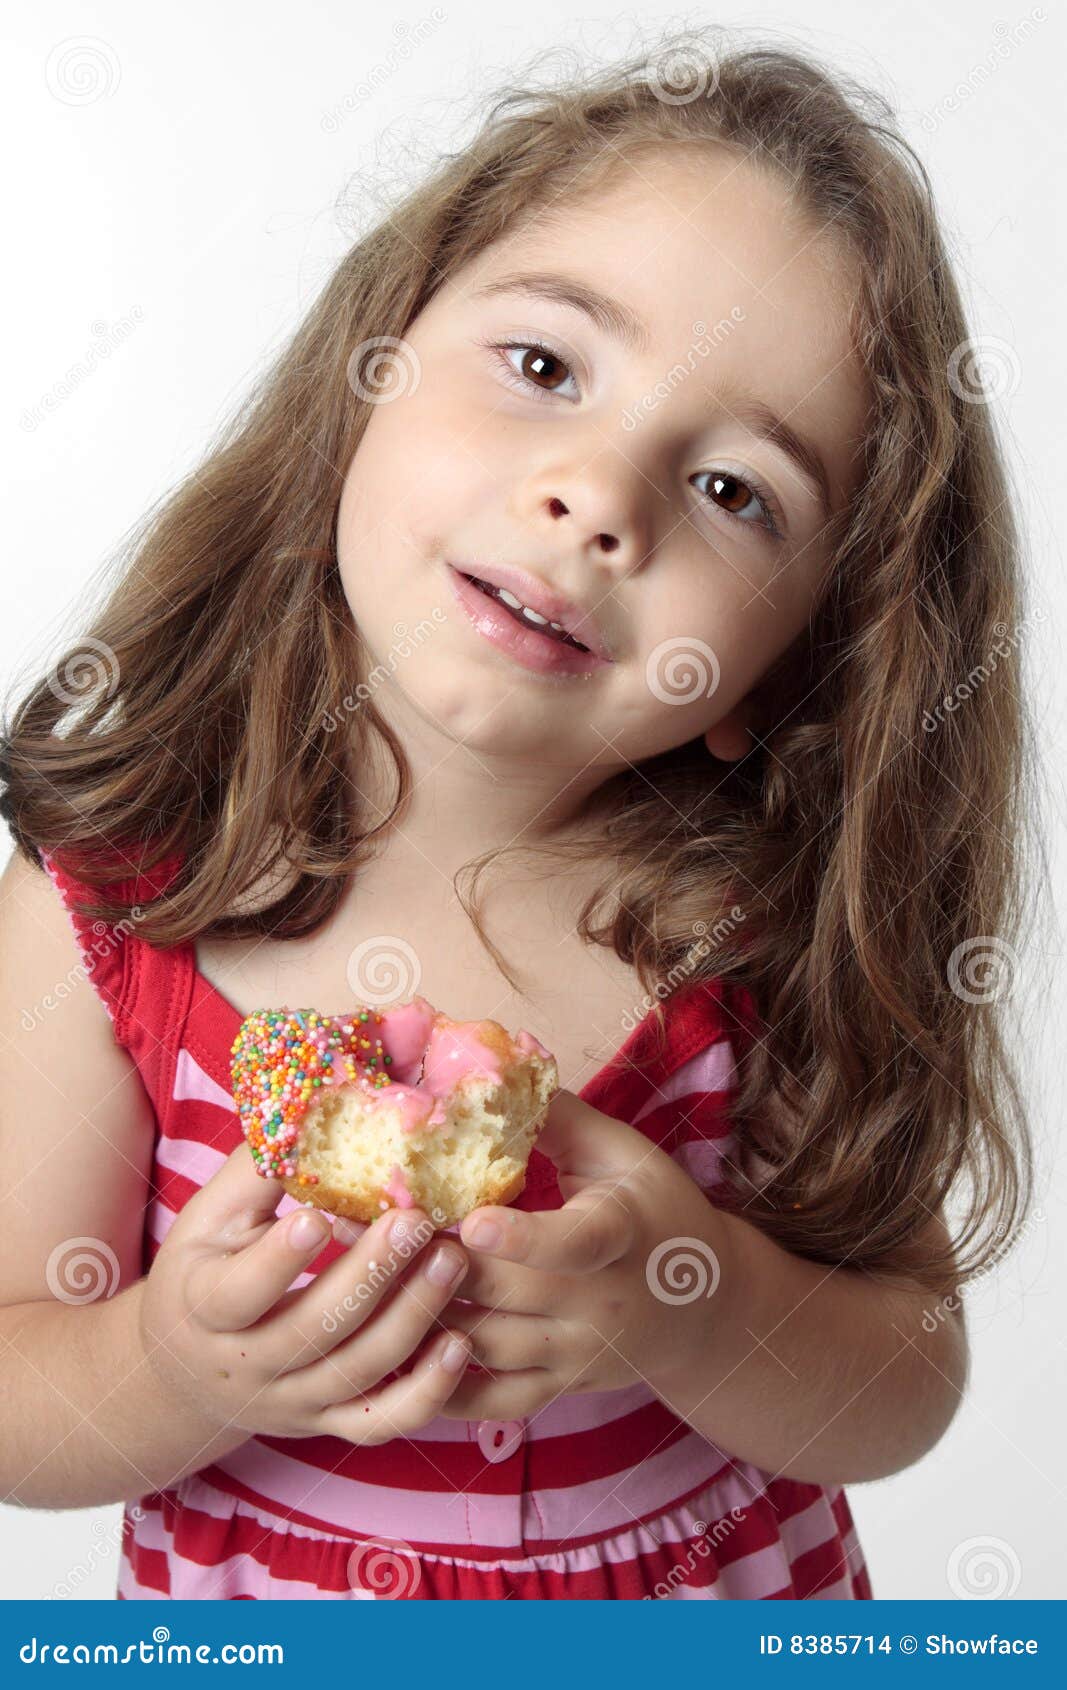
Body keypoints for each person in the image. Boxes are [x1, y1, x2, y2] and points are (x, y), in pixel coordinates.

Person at [0, 30, 1033, 1599]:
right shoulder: (117, 909)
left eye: (738, 489)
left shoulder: (753, 933)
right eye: (545, 367)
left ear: (794, 656)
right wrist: (169, 1362)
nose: (601, 496)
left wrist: (688, 1298)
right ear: (371, 367)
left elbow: (905, 1375)